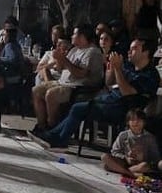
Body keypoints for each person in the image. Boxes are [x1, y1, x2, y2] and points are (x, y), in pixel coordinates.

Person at [30, 39, 160, 152]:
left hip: (124, 108)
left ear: (146, 52)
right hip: (109, 100)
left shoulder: (150, 74)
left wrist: (118, 69)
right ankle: (54, 136)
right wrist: (111, 68)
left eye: (134, 49)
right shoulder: (128, 66)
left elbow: (127, 92)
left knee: (79, 108)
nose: (129, 51)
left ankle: (58, 139)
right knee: (78, 106)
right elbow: (109, 83)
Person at [30, 24, 104, 133]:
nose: (72, 36)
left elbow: (81, 74)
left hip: (79, 87)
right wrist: (58, 59)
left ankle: (53, 127)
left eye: (75, 34)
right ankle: (42, 125)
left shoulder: (92, 52)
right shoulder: (74, 50)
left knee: (51, 94)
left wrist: (64, 60)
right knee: (36, 91)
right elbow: (60, 69)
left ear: (82, 37)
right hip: (63, 82)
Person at [101, 108, 161, 178]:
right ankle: (130, 173)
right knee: (104, 157)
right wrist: (126, 158)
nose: (135, 122)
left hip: (140, 165)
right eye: (132, 120)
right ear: (128, 122)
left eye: (138, 120)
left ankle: (122, 170)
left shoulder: (150, 137)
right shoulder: (123, 135)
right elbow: (115, 152)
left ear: (144, 122)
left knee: (144, 166)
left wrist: (142, 157)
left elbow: (156, 157)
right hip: (125, 162)